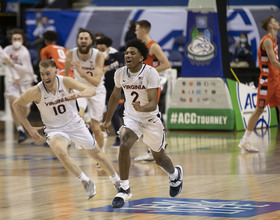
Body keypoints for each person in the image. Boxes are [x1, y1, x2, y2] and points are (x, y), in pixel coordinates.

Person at [12, 59, 120, 199]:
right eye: (42, 74)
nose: (45, 77)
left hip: (75, 124)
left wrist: (78, 95)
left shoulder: (65, 81)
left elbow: (91, 90)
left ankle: (117, 180)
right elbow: (16, 105)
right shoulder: (36, 91)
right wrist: (29, 128)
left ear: (55, 72)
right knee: (61, 153)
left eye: (48, 74)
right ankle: (85, 181)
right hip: (54, 129)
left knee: (97, 155)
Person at [100, 38, 183, 208]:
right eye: (127, 53)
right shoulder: (120, 73)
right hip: (132, 118)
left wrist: (142, 107)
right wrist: (108, 119)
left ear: (141, 58)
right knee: (124, 144)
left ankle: (175, 174)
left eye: (132, 53)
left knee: (159, 159)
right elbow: (115, 96)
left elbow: (153, 103)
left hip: (151, 119)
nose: (128, 55)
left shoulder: (150, 72)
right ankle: (124, 189)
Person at [239, 16, 280, 153]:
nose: (277, 23)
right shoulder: (267, 40)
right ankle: (244, 141)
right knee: (259, 110)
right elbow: (274, 62)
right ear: (270, 26)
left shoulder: (274, 40)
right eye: (274, 21)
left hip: (276, 79)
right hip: (267, 82)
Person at [64, 29, 106, 155]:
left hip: (96, 91)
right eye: (81, 38)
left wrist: (81, 72)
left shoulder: (98, 55)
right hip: (80, 88)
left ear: (91, 41)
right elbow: (66, 76)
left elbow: (96, 82)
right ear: (77, 40)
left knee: (95, 126)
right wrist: (66, 90)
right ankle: (80, 133)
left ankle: (101, 152)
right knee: (78, 114)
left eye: (85, 38)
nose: (83, 40)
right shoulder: (71, 53)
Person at [134, 19, 171, 162]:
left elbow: (166, 64)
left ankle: (154, 149)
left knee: (150, 115)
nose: (135, 32)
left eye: (137, 29)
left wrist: (149, 72)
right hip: (143, 86)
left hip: (152, 85)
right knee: (146, 116)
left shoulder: (153, 46)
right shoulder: (141, 47)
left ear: (143, 30)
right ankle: (157, 145)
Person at [2, 28, 37, 143]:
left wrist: (13, 64)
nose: (16, 40)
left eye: (19, 39)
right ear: (11, 40)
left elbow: (26, 69)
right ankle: (21, 131)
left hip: (25, 81)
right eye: (14, 39)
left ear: (22, 40)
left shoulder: (24, 52)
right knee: (13, 104)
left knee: (25, 108)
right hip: (12, 81)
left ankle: (22, 123)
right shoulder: (7, 49)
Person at [96, 36, 125, 147]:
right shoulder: (95, 58)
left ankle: (120, 136)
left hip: (117, 88)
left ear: (107, 49)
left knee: (115, 111)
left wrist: (109, 67)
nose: (100, 52)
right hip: (102, 88)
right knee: (111, 112)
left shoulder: (116, 55)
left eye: (102, 50)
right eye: (98, 50)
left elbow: (127, 59)